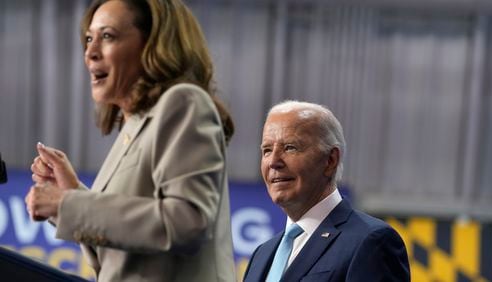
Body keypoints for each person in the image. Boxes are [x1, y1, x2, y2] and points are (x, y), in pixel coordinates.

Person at [25, 0, 236, 281]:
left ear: (153, 45)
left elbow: (188, 222)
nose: (90, 52)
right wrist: (72, 192)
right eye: (89, 39)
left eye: (108, 36)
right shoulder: (134, 126)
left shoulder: (183, 102)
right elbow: (119, 250)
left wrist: (68, 204)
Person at [243, 101, 410, 282]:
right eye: (267, 150)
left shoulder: (372, 242)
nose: (273, 161)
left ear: (330, 160)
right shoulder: (261, 255)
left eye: (290, 147)